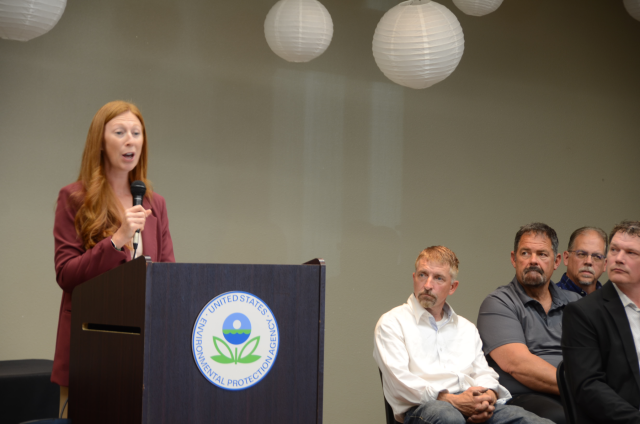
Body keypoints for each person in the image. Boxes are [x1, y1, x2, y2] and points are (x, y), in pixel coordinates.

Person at [52, 101, 175, 417]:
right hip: (90, 346)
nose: (130, 140)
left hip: (144, 349)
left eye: (136, 132)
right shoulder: (75, 198)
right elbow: (66, 274)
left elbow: (168, 275)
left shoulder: (154, 202)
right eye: (119, 132)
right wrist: (117, 239)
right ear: (100, 143)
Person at [373, 246, 553, 424]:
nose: (428, 285)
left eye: (438, 278)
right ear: (414, 278)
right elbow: (399, 384)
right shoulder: (392, 323)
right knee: (449, 417)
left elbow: (483, 372)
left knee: (531, 421)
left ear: (452, 287)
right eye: (422, 275)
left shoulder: (466, 328)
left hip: (470, 402)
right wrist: (453, 401)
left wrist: (486, 398)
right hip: (425, 408)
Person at [477, 223, 580, 424]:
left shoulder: (576, 303)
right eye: (525, 253)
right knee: (565, 418)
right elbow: (518, 365)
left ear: (557, 260)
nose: (533, 261)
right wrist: (583, 386)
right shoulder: (499, 303)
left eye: (542, 254)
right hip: (524, 397)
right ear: (514, 259)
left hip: (577, 391)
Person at [562, 220, 640, 424]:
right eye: (614, 250)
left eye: (631, 253)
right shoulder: (582, 313)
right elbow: (588, 388)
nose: (619, 259)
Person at [556, 226, 607, 297]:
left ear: (605, 264)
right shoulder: (549, 299)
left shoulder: (614, 303)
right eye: (582, 254)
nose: (588, 262)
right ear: (566, 258)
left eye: (597, 256)